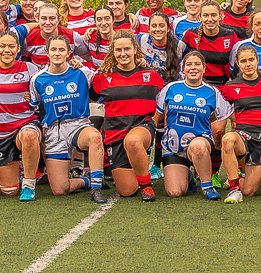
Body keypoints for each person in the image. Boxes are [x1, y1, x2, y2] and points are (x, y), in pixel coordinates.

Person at [31, 35, 104, 200]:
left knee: (95, 137)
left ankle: (96, 188)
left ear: (69, 53)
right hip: (54, 131)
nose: (57, 53)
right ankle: (86, 181)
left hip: (79, 125)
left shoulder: (82, 73)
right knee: (60, 189)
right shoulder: (38, 79)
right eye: (53, 50)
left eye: (61, 50)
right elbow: (35, 106)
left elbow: (101, 80)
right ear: (47, 53)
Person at [91, 33, 162, 200]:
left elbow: (163, 99)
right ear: (112, 52)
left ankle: (146, 186)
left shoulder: (150, 74)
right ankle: (134, 170)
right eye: (118, 50)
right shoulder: (102, 77)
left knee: (133, 141)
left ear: (135, 50)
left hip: (141, 126)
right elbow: (91, 98)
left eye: (127, 49)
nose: (123, 53)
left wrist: (154, 120)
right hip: (115, 133)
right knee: (127, 191)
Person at [158, 51, 232, 199]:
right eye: (189, 64)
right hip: (173, 147)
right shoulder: (171, 88)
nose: (193, 68)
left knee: (198, 146)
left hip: (200, 142)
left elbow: (228, 115)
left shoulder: (212, 92)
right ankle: (189, 178)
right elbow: (156, 117)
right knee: (175, 192)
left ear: (204, 68)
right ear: (183, 68)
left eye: (197, 64)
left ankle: (207, 186)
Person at [218, 44, 261, 203]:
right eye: (243, 61)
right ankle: (234, 188)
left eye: (251, 59)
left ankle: (240, 183)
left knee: (249, 191)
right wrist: (233, 120)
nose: (248, 64)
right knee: (227, 140)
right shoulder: (231, 86)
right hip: (243, 135)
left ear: (258, 60)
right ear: (238, 64)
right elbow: (223, 109)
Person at [182, 2, 238, 84]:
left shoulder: (230, 36)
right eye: (205, 15)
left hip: (222, 85)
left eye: (214, 15)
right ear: (200, 17)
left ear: (220, 17)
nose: (210, 19)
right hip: (197, 85)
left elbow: (236, 63)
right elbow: (176, 56)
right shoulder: (191, 34)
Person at [139, 9, 186, 81]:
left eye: (161, 26)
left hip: (171, 86)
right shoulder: (142, 40)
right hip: (148, 86)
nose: (157, 29)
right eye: (154, 26)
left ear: (168, 29)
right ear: (149, 29)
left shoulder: (180, 46)